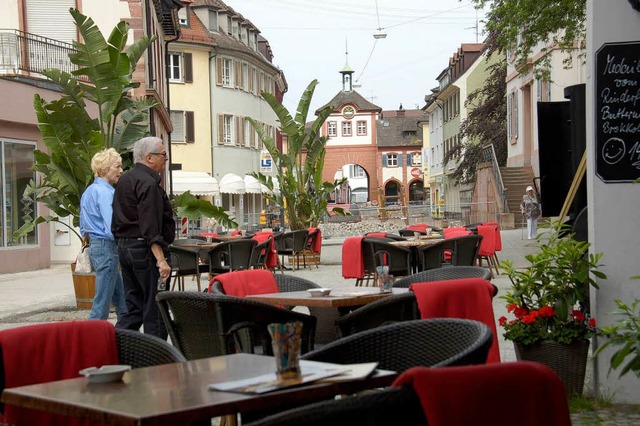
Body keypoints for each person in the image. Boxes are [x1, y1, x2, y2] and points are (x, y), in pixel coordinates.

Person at [112, 137, 175, 339]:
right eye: (163, 155)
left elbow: (116, 219)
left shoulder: (125, 180)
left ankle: (117, 346)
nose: (166, 159)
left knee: (134, 307)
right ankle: (155, 361)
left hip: (126, 247)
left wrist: (122, 249)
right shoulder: (148, 183)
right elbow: (150, 226)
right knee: (155, 309)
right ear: (149, 158)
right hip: (145, 250)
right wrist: (161, 260)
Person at [79, 148, 128, 322]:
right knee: (101, 303)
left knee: (120, 299)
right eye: (117, 166)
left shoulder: (89, 191)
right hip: (107, 247)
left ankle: (127, 332)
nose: (121, 170)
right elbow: (112, 227)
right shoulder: (107, 193)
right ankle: (91, 341)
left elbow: (83, 225)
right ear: (104, 168)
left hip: (96, 246)